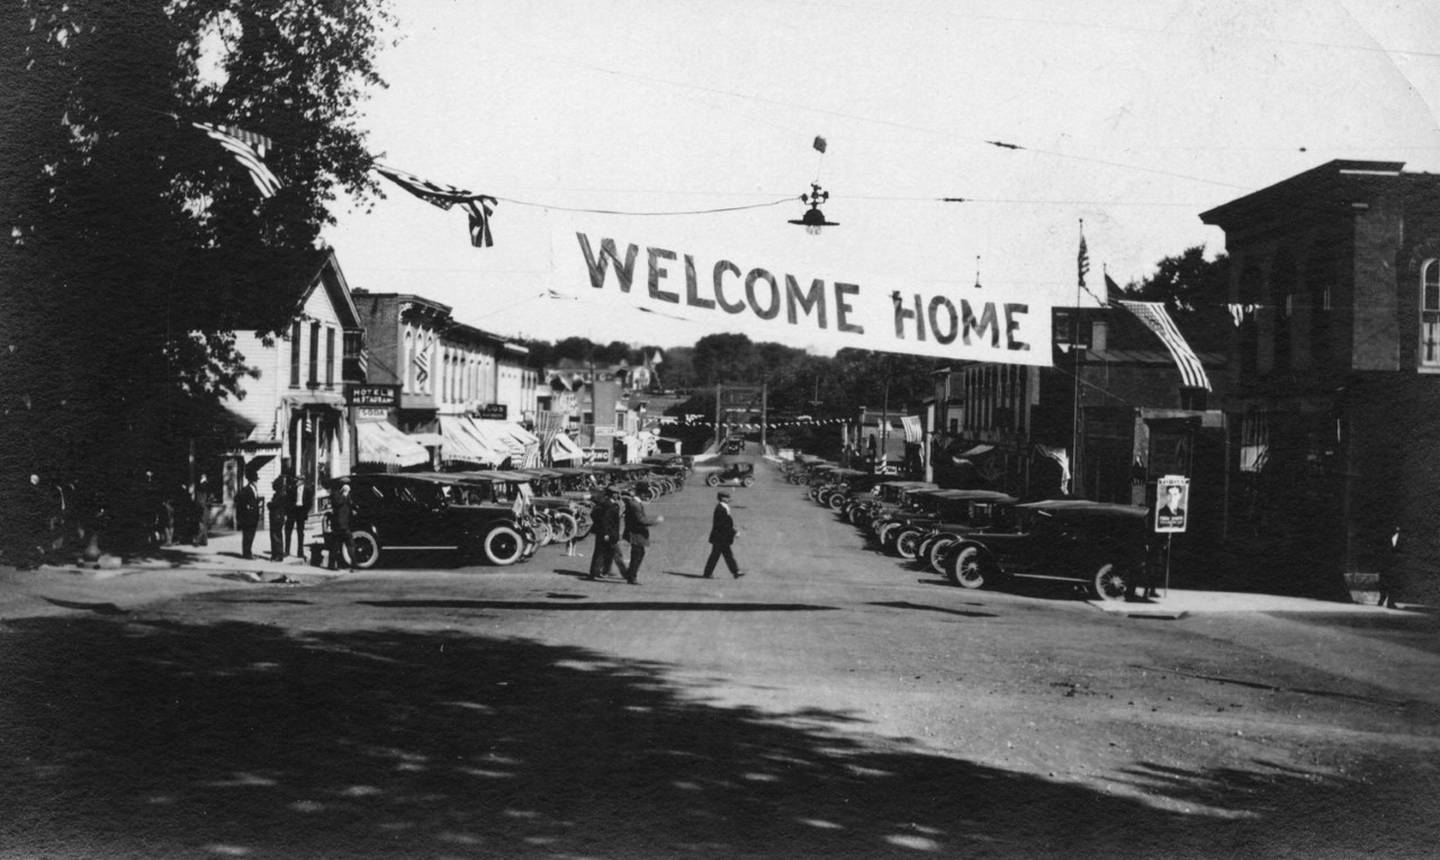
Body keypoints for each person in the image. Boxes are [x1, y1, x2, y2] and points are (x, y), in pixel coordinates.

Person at [620, 489, 664, 585]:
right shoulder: (635, 505)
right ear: (641, 494)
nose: (647, 496)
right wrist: (655, 521)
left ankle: (630, 573)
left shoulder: (635, 503)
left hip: (636, 532)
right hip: (636, 533)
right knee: (637, 555)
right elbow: (640, 520)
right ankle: (632, 577)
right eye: (646, 494)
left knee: (638, 554)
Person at [703, 490, 744, 579]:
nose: (729, 499)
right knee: (721, 555)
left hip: (720, 537)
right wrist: (734, 532)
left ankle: (735, 571)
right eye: (727, 497)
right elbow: (724, 524)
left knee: (719, 555)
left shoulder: (723, 507)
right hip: (720, 537)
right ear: (722, 498)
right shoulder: (720, 509)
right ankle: (735, 571)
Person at [587, 488, 624, 580]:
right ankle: (595, 573)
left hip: (608, 532)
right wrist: (606, 533)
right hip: (606, 532)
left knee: (607, 552)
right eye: (615, 493)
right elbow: (605, 520)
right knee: (601, 552)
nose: (617, 495)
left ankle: (602, 571)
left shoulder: (610, 504)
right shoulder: (608, 504)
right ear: (611, 494)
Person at [326, 480, 358, 571]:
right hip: (338, 524)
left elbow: (350, 504)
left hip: (345, 524)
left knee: (350, 544)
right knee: (336, 545)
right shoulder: (335, 494)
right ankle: (332, 565)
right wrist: (344, 494)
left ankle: (353, 565)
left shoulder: (347, 495)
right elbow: (338, 503)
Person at [268, 469, 294, 561]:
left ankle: (278, 555)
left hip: (277, 517)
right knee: (275, 536)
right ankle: (275, 554)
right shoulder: (280, 494)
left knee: (276, 536)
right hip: (277, 517)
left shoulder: (280, 495)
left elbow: (275, 505)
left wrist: (269, 504)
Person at [235, 471, 261, 560]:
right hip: (248, 517)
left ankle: (249, 551)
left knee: (251, 535)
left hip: (254, 516)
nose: (256, 482)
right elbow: (239, 500)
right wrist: (246, 507)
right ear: (250, 481)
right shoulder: (245, 489)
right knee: (247, 535)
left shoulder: (255, 489)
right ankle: (246, 553)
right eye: (254, 480)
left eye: (256, 480)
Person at [1377, 525, 1403, 609]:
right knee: (1383, 581)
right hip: (1385, 562)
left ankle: (1390, 602)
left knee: (1393, 582)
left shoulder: (1401, 538)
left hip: (1395, 563)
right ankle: (1382, 598)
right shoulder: (1385, 537)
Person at [287, 471, 311, 558]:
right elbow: (288, 500)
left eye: (297, 480)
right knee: (288, 531)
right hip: (293, 511)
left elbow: (309, 502)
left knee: (300, 532)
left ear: (302, 481)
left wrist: (305, 512)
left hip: (301, 511)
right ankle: (287, 551)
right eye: (295, 480)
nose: (296, 481)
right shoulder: (292, 489)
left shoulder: (307, 489)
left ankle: (300, 552)